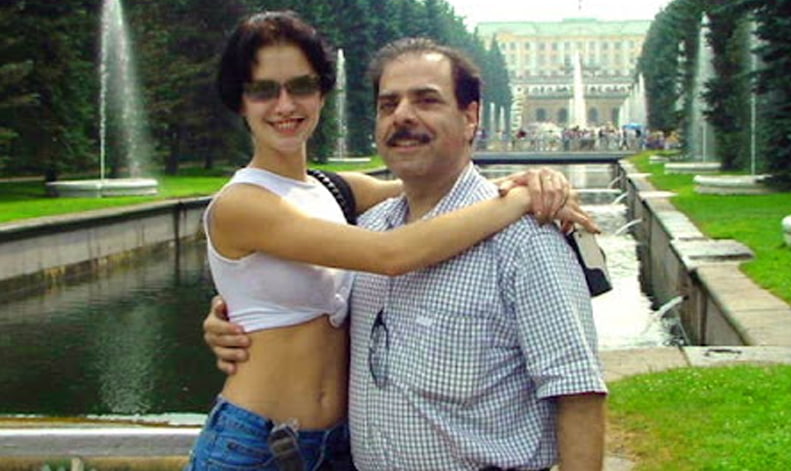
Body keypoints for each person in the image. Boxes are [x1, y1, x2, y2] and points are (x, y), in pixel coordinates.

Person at [188, 11, 597, 471]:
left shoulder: (336, 190)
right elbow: (391, 254)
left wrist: (534, 182)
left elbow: (432, 186)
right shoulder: (241, 203)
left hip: (336, 447)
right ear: (240, 101)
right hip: (256, 443)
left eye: (301, 86)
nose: (284, 105)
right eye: (263, 90)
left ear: (322, 93)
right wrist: (519, 200)